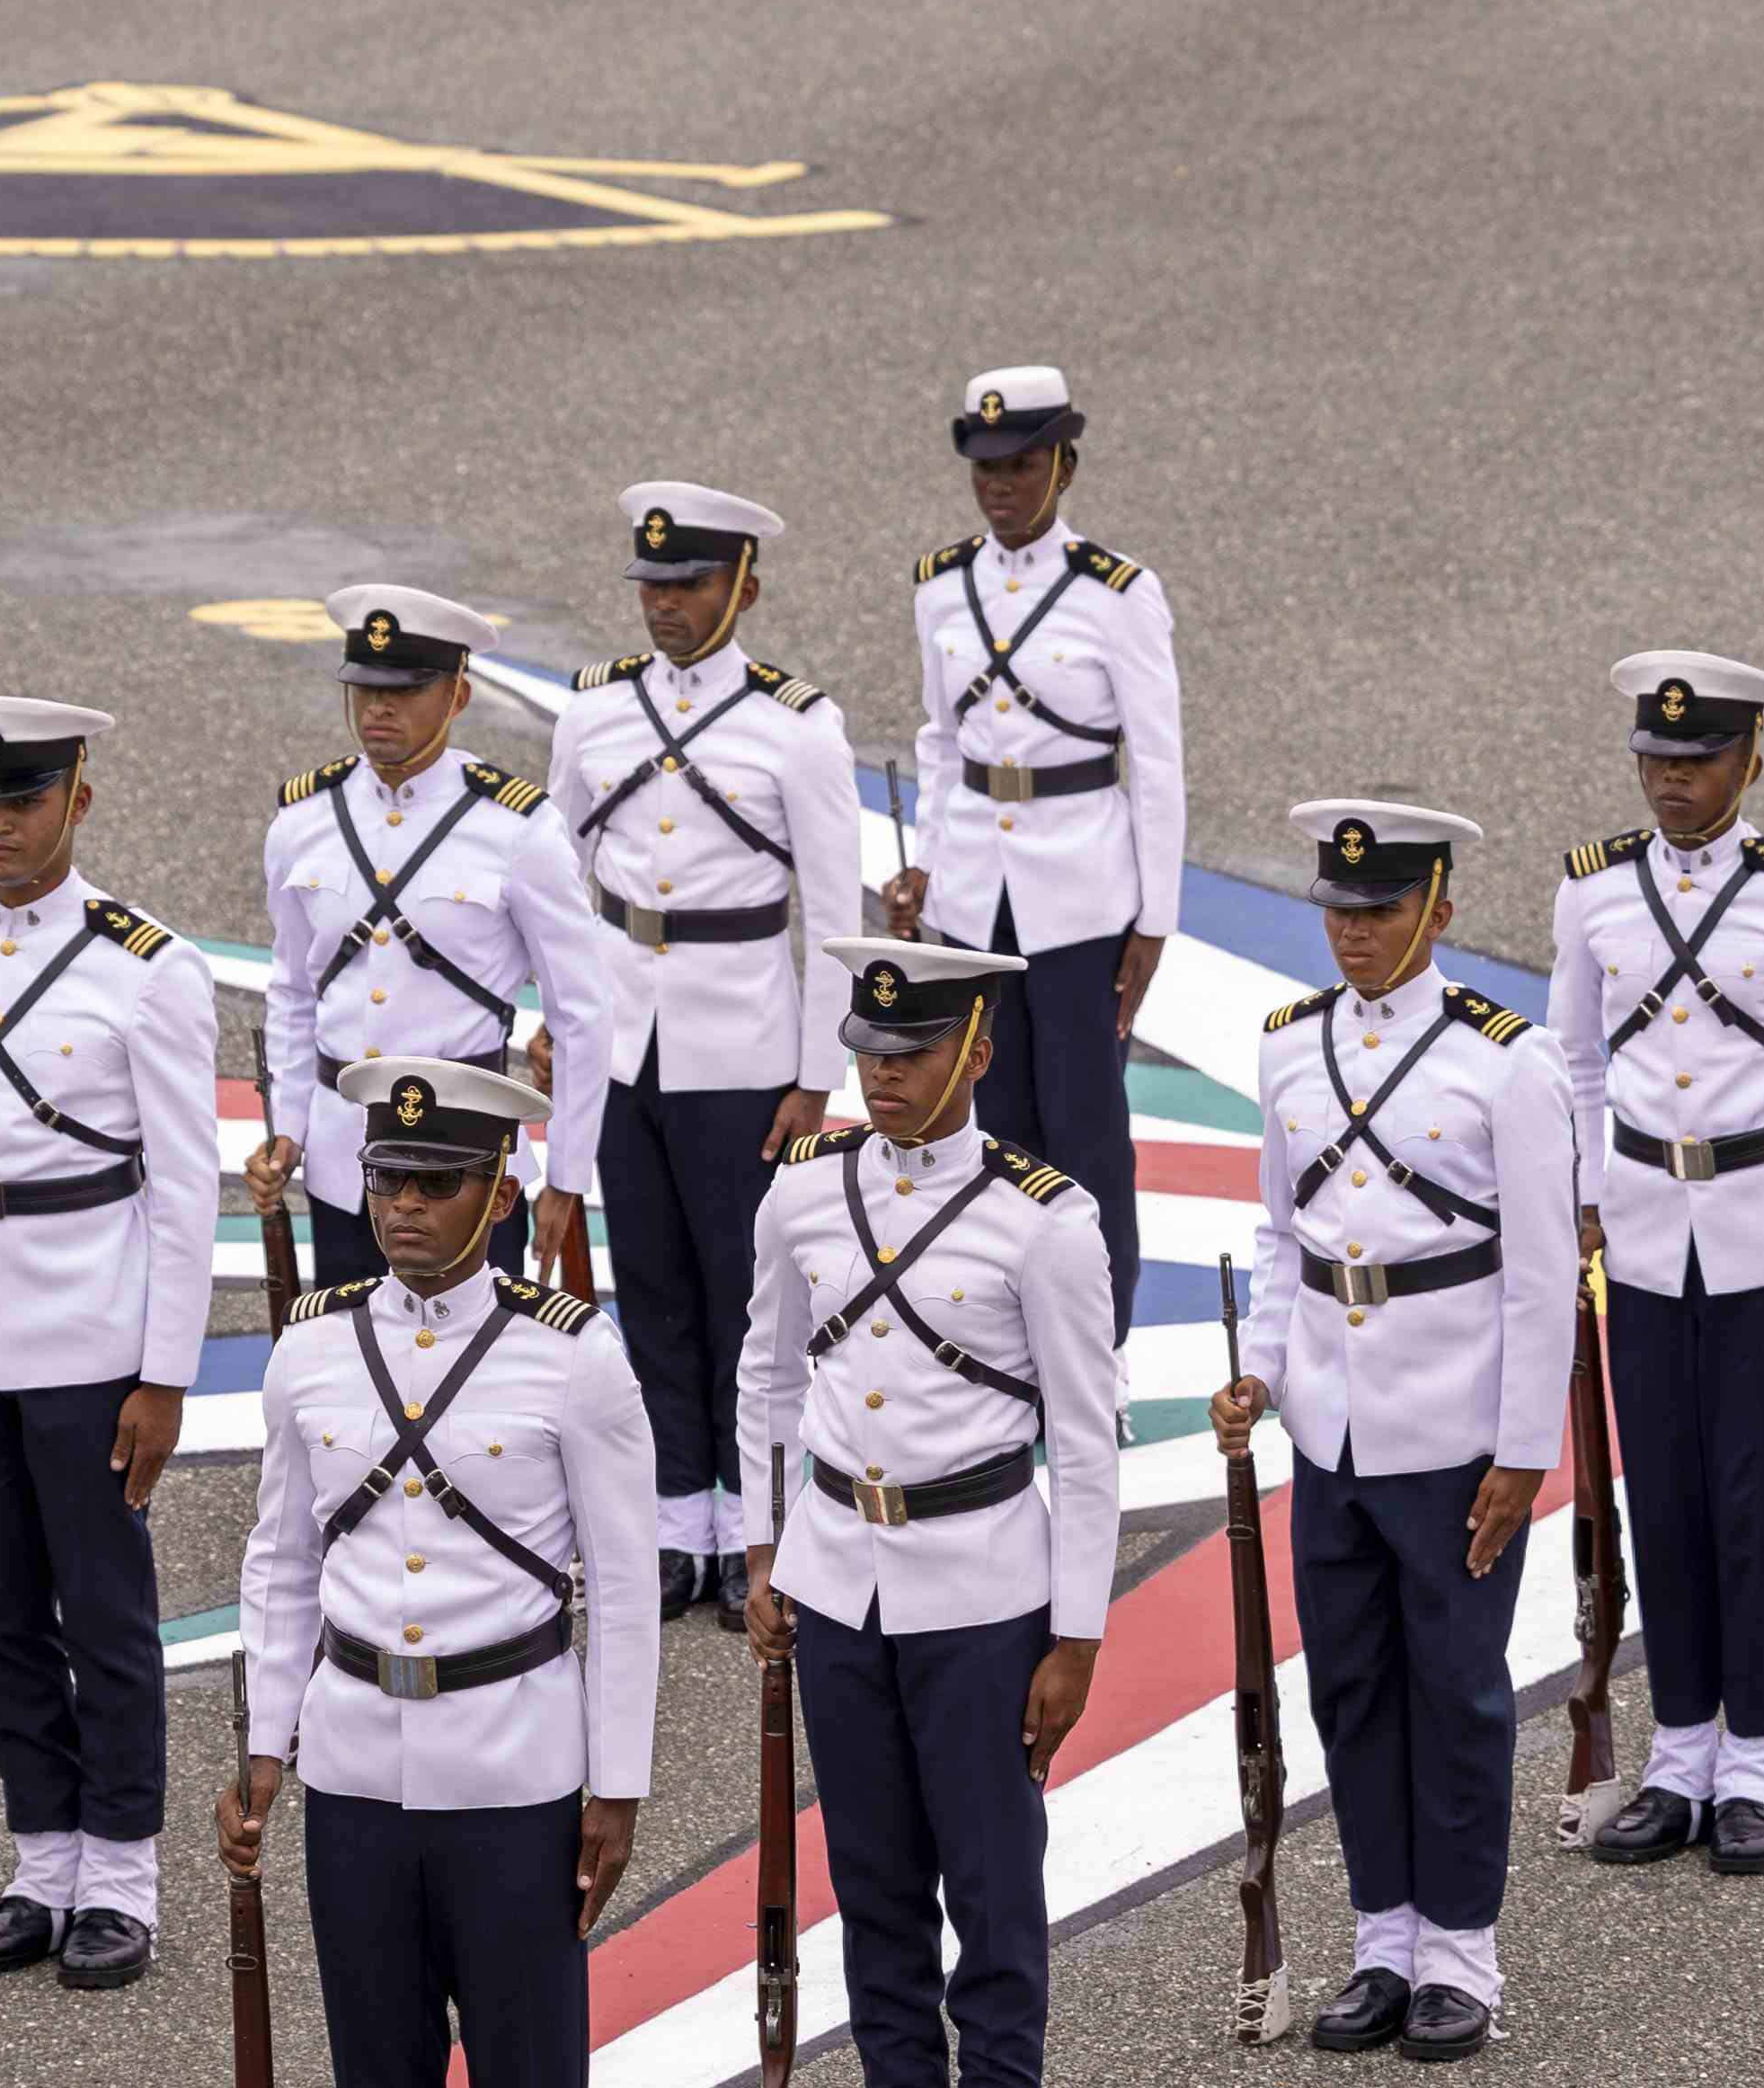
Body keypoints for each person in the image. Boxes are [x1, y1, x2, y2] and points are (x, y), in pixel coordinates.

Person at [220, 1058, 654, 2088]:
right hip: (354, 1763)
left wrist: (618, 1784)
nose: (402, 1211)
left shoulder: (573, 1359)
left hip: (515, 1762)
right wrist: (265, 1748)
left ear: (500, 1196)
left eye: (435, 1186)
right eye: (387, 1184)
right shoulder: (309, 1350)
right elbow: (280, 1568)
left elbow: (626, 1588)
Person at [734, 934, 1122, 2088]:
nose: (881, 1076)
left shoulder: (1043, 1220)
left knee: (991, 1883)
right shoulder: (806, 1194)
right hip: (843, 1573)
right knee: (876, 1878)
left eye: (909, 1055)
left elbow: (1088, 1435)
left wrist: (1077, 1636)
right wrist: (766, 1542)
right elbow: (768, 1379)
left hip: (981, 1585)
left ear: (976, 1050)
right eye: (868, 1051)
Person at [1211, 803, 1576, 2063]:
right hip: (1332, 1420)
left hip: (1455, 1422)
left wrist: (1525, 1450)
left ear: (1439, 911)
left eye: (1378, 912)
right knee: (1354, 1685)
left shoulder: (1507, 1062)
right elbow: (1280, 1235)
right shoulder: (1286, 1048)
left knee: (1460, 1691)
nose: (1353, 935)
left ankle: (1462, 1953)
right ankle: (1384, 1937)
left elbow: (1539, 1275)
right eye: (1338, 911)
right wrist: (1262, 1372)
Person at [0, 696, 217, 1991]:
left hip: (88, 1312)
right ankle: (41, 1860)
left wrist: (166, 1373)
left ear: (77, 800)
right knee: (1, 1604)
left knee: (104, 1606)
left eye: (20, 803)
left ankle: (122, 1871)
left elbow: (186, 1185)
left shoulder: (148, 966)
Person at [1551, 654, 1764, 1874]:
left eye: (1696, 762)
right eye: (1656, 760)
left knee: (1755, 1500)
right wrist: (1585, 1194)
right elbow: (1575, 1060)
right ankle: (1679, 1746)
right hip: (1643, 1225)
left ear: (1749, 764)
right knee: (1667, 1498)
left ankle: (1757, 1762)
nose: (1672, 782)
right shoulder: (1591, 893)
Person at [548, 484, 870, 1632]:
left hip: (741, 1036)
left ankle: (755, 1525)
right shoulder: (593, 714)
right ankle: (678, 1520)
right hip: (625, 1032)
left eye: (688, 583)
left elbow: (835, 909)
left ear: (744, 584)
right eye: (652, 585)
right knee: (653, 1285)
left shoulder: (796, 726)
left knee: (748, 1295)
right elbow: (562, 880)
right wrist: (565, 1012)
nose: (666, 606)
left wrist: (816, 1074)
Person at [893, 364, 1185, 1334]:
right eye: (985, 471)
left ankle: (1098, 1347)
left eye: (1020, 467)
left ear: (1064, 465)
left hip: (1081, 896)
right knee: (991, 1125)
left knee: (1088, 1137)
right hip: (976, 893)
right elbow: (941, 742)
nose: (1001, 488)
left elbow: (1156, 762)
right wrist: (929, 868)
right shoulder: (942, 588)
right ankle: (1005, 1330)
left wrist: (1153, 921)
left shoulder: (1117, 594)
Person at [243, 584, 624, 1295]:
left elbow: (581, 1010)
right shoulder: (302, 820)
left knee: (482, 1390)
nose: (379, 708)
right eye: (364, 689)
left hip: (469, 1165)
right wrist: (288, 1127)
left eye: (408, 689)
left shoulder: (515, 828)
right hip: (342, 1162)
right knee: (351, 1387)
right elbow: (295, 990)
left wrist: (568, 1179)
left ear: (458, 696)